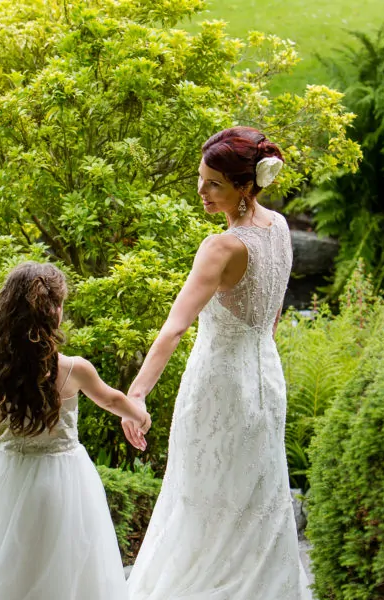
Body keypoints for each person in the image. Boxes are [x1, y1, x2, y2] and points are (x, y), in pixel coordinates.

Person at [123, 127, 312, 599]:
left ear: (245, 187)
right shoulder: (282, 228)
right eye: (201, 179)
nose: (202, 191)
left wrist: (138, 393)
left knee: (201, 495)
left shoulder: (221, 248)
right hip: (267, 378)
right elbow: (271, 315)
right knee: (256, 494)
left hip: (218, 385)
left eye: (214, 184)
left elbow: (174, 327)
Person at [0, 262, 151, 600]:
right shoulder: (73, 369)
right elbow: (112, 399)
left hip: (2, 476)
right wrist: (140, 416)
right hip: (62, 481)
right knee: (63, 570)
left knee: (7, 568)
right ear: (53, 312)